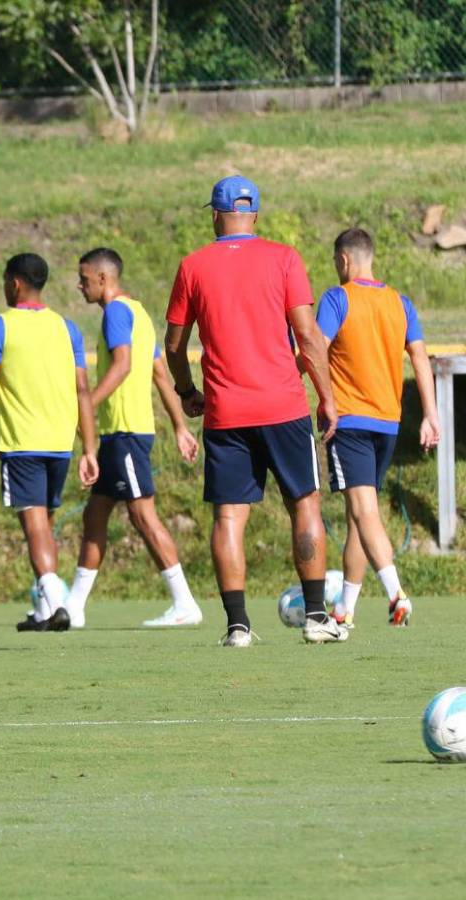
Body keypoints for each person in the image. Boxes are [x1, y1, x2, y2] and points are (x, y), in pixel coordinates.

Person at [164, 175, 347, 647]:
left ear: (215, 215)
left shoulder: (193, 266)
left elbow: (173, 344)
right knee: (304, 504)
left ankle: (238, 626)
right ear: (255, 215)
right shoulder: (284, 258)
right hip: (283, 405)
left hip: (226, 411)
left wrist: (187, 391)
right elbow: (307, 337)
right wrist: (326, 397)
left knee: (229, 517)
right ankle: (315, 617)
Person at [71, 248, 204, 629]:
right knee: (95, 514)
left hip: (126, 431)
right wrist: (179, 426)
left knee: (142, 515)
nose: (80, 286)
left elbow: (125, 364)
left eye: (83, 279)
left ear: (102, 278)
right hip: (120, 433)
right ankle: (73, 608)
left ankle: (184, 603)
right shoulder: (140, 313)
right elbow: (161, 374)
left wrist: (87, 406)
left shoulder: (116, 312)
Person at [316, 228, 440, 627]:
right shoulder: (400, 302)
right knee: (358, 515)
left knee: (363, 509)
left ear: (345, 260)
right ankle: (345, 610)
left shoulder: (338, 298)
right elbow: (420, 359)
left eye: (336, 262)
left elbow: (316, 348)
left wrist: (314, 390)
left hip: (348, 419)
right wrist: (430, 414)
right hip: (387, 423)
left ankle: (396, 592)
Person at [0, 253, 99, 632]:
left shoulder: (1, 326)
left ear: (13, 283)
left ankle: (58, 604)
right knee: (45, 521)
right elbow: (82, 389)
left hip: (20, 439)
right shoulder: (66, 327)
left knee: (33, 525)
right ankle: (45, 610)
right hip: (60, 439)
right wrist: (90, 448)